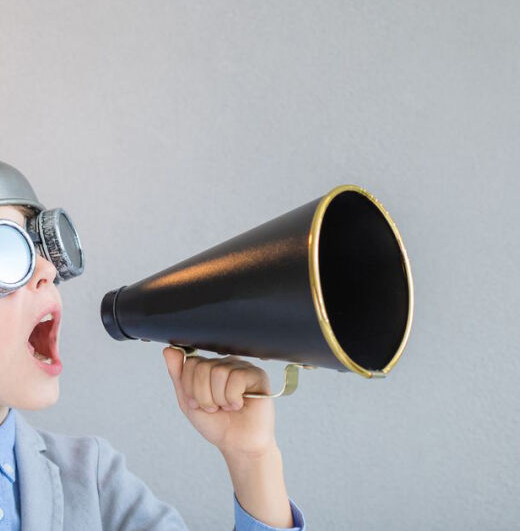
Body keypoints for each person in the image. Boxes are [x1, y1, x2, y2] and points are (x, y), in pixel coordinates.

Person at [0, 160, 306, 530]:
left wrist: (252, 460)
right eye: (7, 249)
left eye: (41, 248)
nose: (47, 270)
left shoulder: (93, 482)